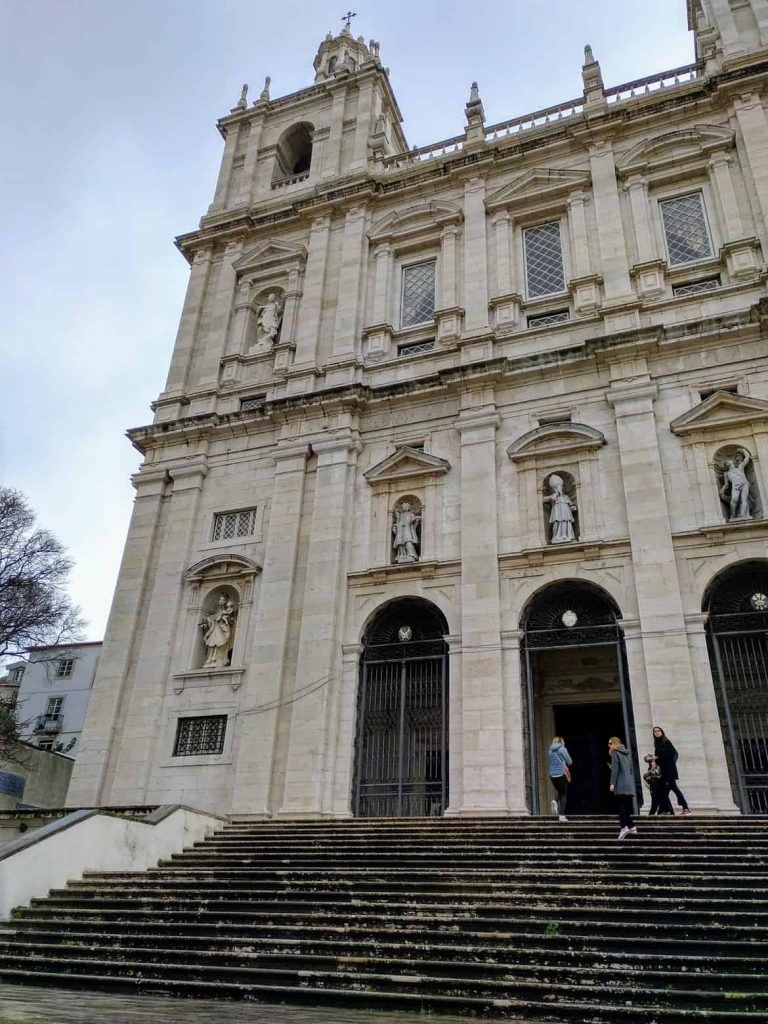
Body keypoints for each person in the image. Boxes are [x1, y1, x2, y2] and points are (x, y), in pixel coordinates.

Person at [653, 726, 692, 816]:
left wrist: (656, 760)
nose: (657, 733)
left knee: (673, 789)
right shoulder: (657, 744)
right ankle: (666, 810)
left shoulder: (666, 742)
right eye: (655, 731)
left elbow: (671, 754)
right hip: (664, 771)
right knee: (664, 791)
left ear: (662, 732)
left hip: (669, 771)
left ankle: (685, 808)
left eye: (658, 731)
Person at [608, 736, 637, 839]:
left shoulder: (615, 753)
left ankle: (624, 827)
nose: (609, 746)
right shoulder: (626, 753)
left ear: (613, 744)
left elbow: (615, 770)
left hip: (620, 784)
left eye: (610, 743)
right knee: (626, 805)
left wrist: (612, 783)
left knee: (621, 806)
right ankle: (632, 826)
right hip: (628, 784)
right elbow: (630, 769)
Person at [548, 736, 572, 822]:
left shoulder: (550, 751)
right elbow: (569, 761)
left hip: (552, 775)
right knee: (564, 794)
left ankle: (555, 800)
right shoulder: (562, 749)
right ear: (561, 742)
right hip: (561, 774)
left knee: (560, 791)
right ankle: (562, 816)